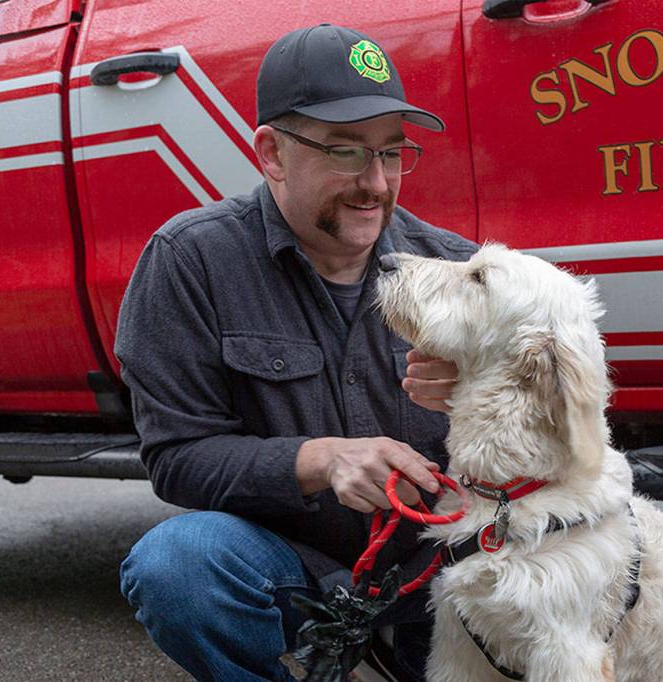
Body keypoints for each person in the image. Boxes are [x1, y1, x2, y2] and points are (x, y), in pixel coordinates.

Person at [114, 23, 477, 682]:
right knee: (179, 566)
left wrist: (490, 394)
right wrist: (320, 459)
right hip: (295, 566)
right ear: (272, 153)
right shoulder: (191, 262)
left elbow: (562, 431)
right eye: (345, 152)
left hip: (446, 572)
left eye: (392, 153)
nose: (376, 183)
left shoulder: (460, 270)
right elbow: (177, 457)